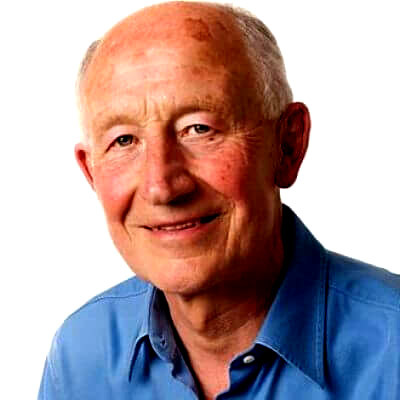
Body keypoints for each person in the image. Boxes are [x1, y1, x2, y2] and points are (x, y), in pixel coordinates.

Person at [38, 2, 400, 399]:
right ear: (90, 172)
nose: (162, 187)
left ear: (287, 146)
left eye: (199, 129)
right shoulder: (80, 357)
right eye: (124, 140)